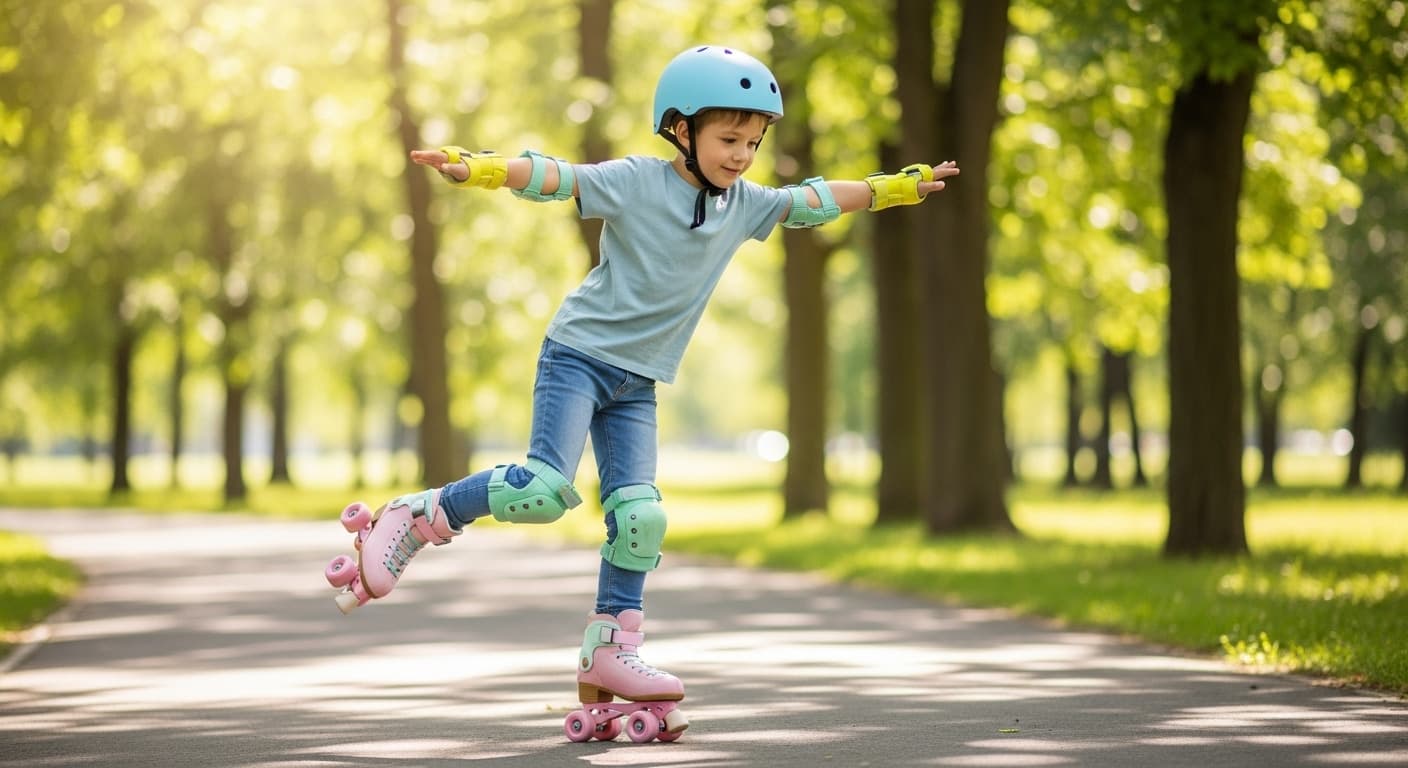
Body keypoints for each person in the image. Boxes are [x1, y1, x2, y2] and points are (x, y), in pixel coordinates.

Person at [324, 45, 958, 741]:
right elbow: (560, 178)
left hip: (638, 382)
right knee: (542, 489)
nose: (742, 155)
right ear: (679, 130)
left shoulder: (743, 205)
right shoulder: (635, 181)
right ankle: (418, 515)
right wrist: (480, 169)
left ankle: (611, 650)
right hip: (578, 357)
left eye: (752, 141)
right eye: (728, 140)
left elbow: (811, 201)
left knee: (640, 517)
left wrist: (895, 188)